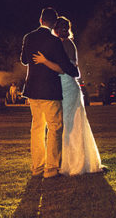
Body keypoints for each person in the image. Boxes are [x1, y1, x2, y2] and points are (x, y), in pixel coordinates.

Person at [32, 16, 105, 175]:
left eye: (62, 28)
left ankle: (71, 163)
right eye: (60, 28)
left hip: (67, 87)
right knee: (65, 124)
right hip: (62, 87)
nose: (60, 31)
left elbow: (65, 68)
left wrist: (45, 61)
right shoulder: (63, 44)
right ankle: (65, 161)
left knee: (68, 124)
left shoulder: (66, 44)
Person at [20, 7, 78, 179]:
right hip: (50, 90)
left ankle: (37, 167)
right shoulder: (54, 42)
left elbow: (24, 60)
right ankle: (51, 168)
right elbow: (65, 65)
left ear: (40, 20)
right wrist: (74, 72)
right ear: (54, 23)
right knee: (54, 128)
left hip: (32, 90)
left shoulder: (28, 37)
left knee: (37, 129)